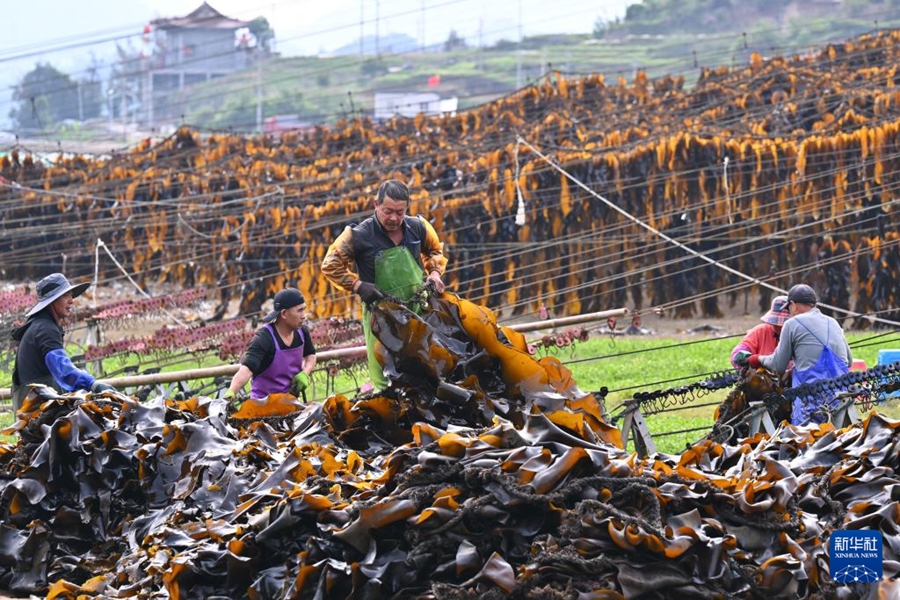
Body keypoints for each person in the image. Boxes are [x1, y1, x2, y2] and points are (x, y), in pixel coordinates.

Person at [321, 179, 447, 391]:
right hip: (380, 317)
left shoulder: (418, 227)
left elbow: (435, 250)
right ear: (376, 205)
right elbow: (330, 265)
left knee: (426, 371)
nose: (394, 218)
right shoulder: (358, 235)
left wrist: (434, 273)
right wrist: (358, 285)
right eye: (388, 211)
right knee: (386, 380)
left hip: (418, 312)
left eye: (400, 212)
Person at [741, 284, 852, 425]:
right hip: (840, 400)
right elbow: (848, 361)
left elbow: (778, 364)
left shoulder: (791, 324)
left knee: (803, 437)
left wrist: (757, 359)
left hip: (810, 404)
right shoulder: (833, 322)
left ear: (793, 305)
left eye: (788, 308)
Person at [11, 273, 116, 410]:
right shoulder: (45, 329)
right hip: (37, 414)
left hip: (40, 409)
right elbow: (63, 370)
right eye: (65, 295)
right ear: (52, 301)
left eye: (71, 295)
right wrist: (93, 385)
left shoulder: (39, 325)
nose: (71, 300)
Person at [226, 288, 317, 402]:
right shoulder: (264, 338)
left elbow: (311, 355)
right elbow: (247, 369)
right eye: (299, 311)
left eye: (304, 309)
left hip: (291, 402)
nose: (304, 316)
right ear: (284, 313)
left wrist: (305, 373)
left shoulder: (302, 332)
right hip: (263, 405)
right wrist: (231, 392)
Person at [730, 295, 791, 369]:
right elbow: (737, 354)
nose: (781, 327)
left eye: (785, 324)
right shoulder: (760, 331)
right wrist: (747, 360)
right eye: (777, 324)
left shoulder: (800, 335)